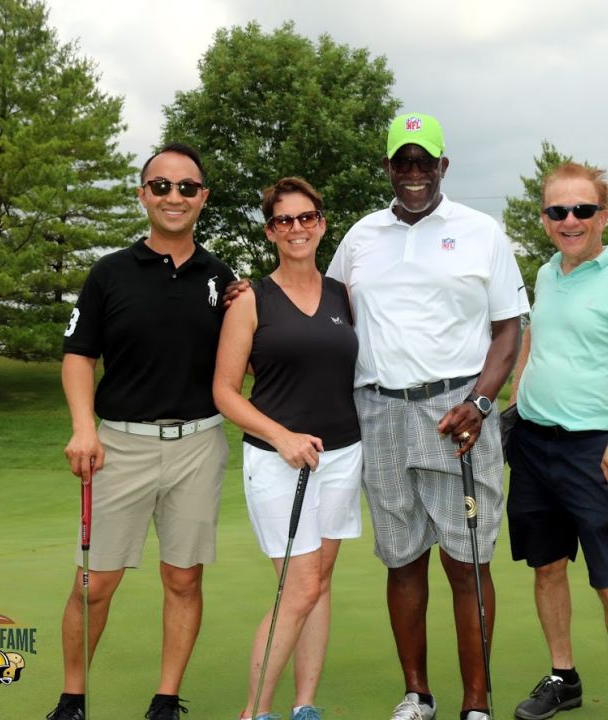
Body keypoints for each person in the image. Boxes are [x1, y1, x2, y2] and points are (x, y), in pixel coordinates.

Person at [326, 112, 529, 720]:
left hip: (457, 411)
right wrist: (250, 298)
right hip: (379, 410)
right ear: (388, 166)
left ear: (444, 164)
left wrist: (483, 401)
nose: (413, 172)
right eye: (402, 161)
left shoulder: (479, 231)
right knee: (402, 557)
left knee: (466, 561)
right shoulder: (360, 236)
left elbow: (509, 328)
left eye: (425, 161)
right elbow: (322, 306)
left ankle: (475, 701)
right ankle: (417, 694)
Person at [50, 143, 236, 720]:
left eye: (186, 187)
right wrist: (85, 428)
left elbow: (247, 356)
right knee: (94, 584)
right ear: (143, 195)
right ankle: (73, 698)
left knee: (183, 577)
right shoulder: (110, 273)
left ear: (203, 197)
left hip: (199, 444)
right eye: (160, 186)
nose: (173, 196)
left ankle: (164, 698)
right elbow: (78, 355)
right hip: (120, 446)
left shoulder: (221, 278)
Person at [506, 163, 608, 720]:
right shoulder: (546, 273)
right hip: (533, 445)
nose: (570, 221)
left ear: (603, 215)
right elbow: (532, 345)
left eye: (582, 210)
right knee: (546, 566)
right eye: (557, 211)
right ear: (545, 219)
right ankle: (563, 677)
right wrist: (514, 404)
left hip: (596, 450)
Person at [213, 177, 363, 720]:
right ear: (270, 230)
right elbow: (225, 392)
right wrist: (282, 437)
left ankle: (305, 707)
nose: (296, 229)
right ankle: (253, 713)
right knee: (298, 588)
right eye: (284, 221)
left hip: (343, 456)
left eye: (306, 218)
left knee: (318, 584)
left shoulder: (344, 295)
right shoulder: (250, 299)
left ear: (321, 223)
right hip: (278, 462)